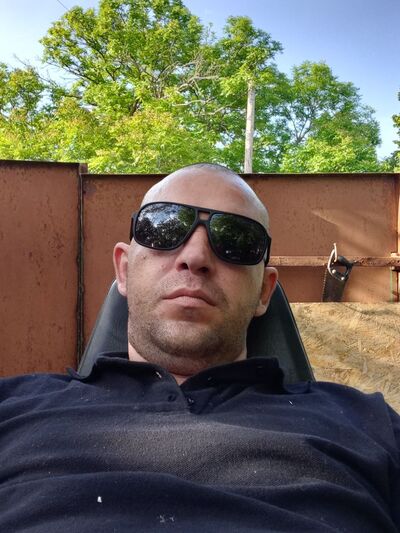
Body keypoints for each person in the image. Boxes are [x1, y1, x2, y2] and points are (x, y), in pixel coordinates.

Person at [0, 163, 399, 532]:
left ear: (264, 292)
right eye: (163, 228)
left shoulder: (371, 426)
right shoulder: (12, 409)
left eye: (236, 239)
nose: (195, 257)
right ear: (124, 269)